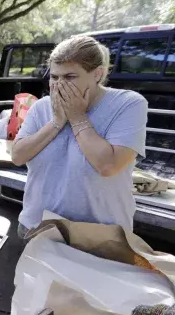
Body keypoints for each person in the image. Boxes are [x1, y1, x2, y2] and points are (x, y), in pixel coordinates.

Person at [11, 35, 147, 239]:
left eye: (70, 77)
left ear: (97, 74)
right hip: (37, 228)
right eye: (54, 77)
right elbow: (18, 156)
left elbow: (108, 165)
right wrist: (56, 122)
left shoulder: (128, 104)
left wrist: (77, 117)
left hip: (99, 238)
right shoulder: (41, 108)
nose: (59, 85)